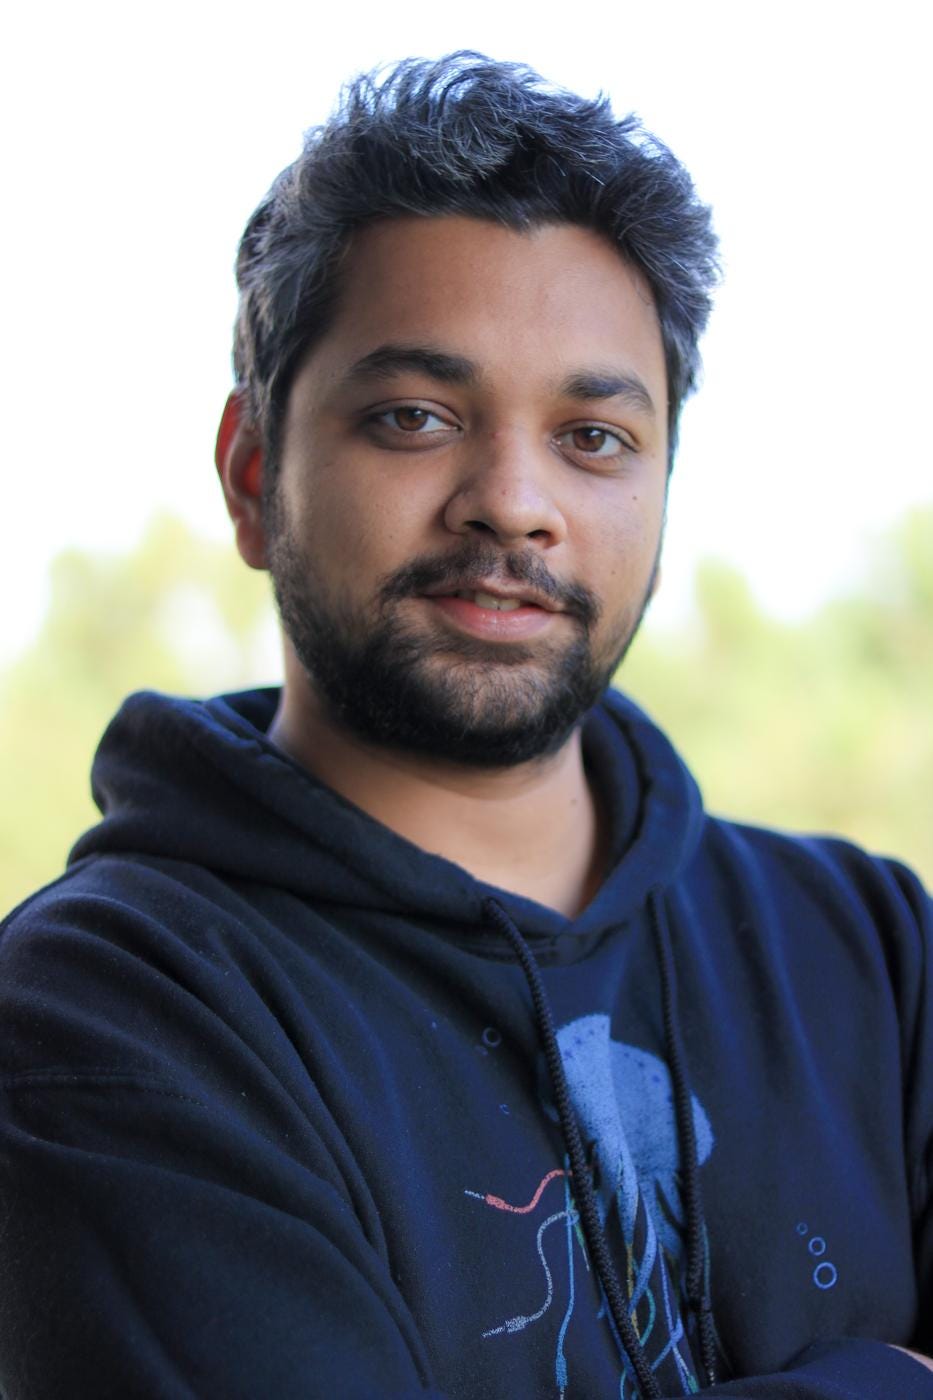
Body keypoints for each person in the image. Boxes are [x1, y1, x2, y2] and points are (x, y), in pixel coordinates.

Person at [0, 54, 930, 1400]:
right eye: (416, 418)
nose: (511, 500)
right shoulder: (108, 1012)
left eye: (593, 437)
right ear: (254, 476)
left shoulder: (871, 951)